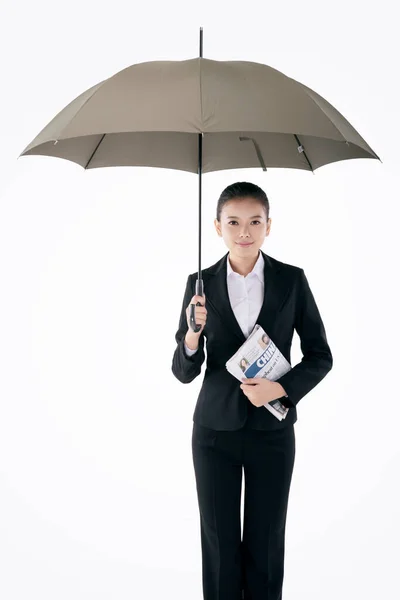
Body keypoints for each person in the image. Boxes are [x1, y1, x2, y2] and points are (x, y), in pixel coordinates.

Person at [171, 181, 333, 600]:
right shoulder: (200, 284)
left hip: (272, 434)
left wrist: (279, 389)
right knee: (220, 546)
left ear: (268, 226)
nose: (244, 231)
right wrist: (192, 334)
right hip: (213, 434)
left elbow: (320, 356)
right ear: (217, 227)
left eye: (254, 222)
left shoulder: (291, 281)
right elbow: (184, 371)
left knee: (265, 543)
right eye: (234, 222)